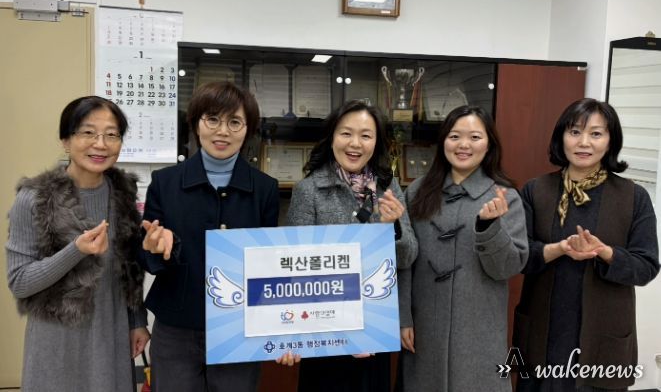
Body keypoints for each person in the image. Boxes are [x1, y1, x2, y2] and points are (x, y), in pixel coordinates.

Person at [139, 82, 290, 392]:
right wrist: (156, 247)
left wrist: (280, 326)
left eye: (234, 122)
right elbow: (147, 254)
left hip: (240, 328)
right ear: (197, 123)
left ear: (247, 129)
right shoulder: (164, 183)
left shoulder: (264, 189)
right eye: (212, 119)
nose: (223, 131)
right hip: (177, 326)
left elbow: (268, 264)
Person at [514, 98, 659, 391]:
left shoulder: (633, 196)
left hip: (604, 339)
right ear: (561, 137)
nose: (584, 142)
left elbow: (646, 266)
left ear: (610, 140)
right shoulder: (535, 190)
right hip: (544, 333)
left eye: (596, 133)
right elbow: (518, 257)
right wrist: (559, 249)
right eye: (575, 132)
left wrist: (604, 253)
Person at [5, 96, 149, 392]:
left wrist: (137, 321)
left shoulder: (123, 194)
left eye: (112, 134)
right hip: (56, 342)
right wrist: (75, 251)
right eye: (88, 133)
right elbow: (19, 282)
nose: (100, 144)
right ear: (66, 141)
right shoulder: (35, 198)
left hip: (110, 333)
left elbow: (129, 269)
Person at [287, 99, 418, 392]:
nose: (355, 143)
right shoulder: (308, 190)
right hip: (323, 334)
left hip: (374, 328)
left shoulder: (388, 187)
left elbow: (407, 257)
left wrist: (392, 227)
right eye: (346, 133)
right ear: (332, 136)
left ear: (377, 142)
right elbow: (296, 268)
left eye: (366, 135)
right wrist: (294, 333)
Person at [398, 105, 528, 392]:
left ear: (489, 144)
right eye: (455, 136)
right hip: (424, 326)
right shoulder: (417, 192)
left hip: (479, 331)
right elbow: (405, 261)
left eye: (475, 137)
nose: (464, 145)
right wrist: (403, 317)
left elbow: (508, 267)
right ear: (443, 140)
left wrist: (490, 228)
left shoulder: (505, 197)